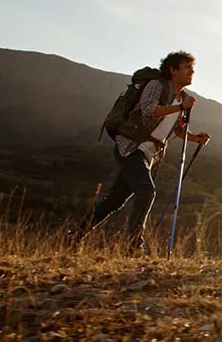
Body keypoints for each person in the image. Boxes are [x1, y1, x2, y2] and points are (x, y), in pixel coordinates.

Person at [71, 51, 210, 254]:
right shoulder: (157, 86)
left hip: (147, 155)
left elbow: (177, 129)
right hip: (130, 147)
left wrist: (196, 137)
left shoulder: (182, 98)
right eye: (187, 67)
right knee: (146, 191)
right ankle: (134, 247)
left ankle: (75, 236)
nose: (192, 71)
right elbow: (149, 110)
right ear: (173, 70)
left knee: (114, 201)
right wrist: (180, 106)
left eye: (192, 67)